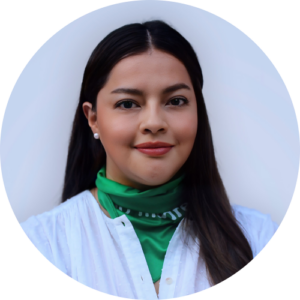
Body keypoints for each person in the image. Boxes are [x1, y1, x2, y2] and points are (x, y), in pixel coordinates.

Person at [19, 20, 287, 300]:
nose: (154, 123)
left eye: (176, 101)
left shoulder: (260, 242)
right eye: (127, 104)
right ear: (93, 118)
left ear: (198, 112)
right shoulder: (43, 244)